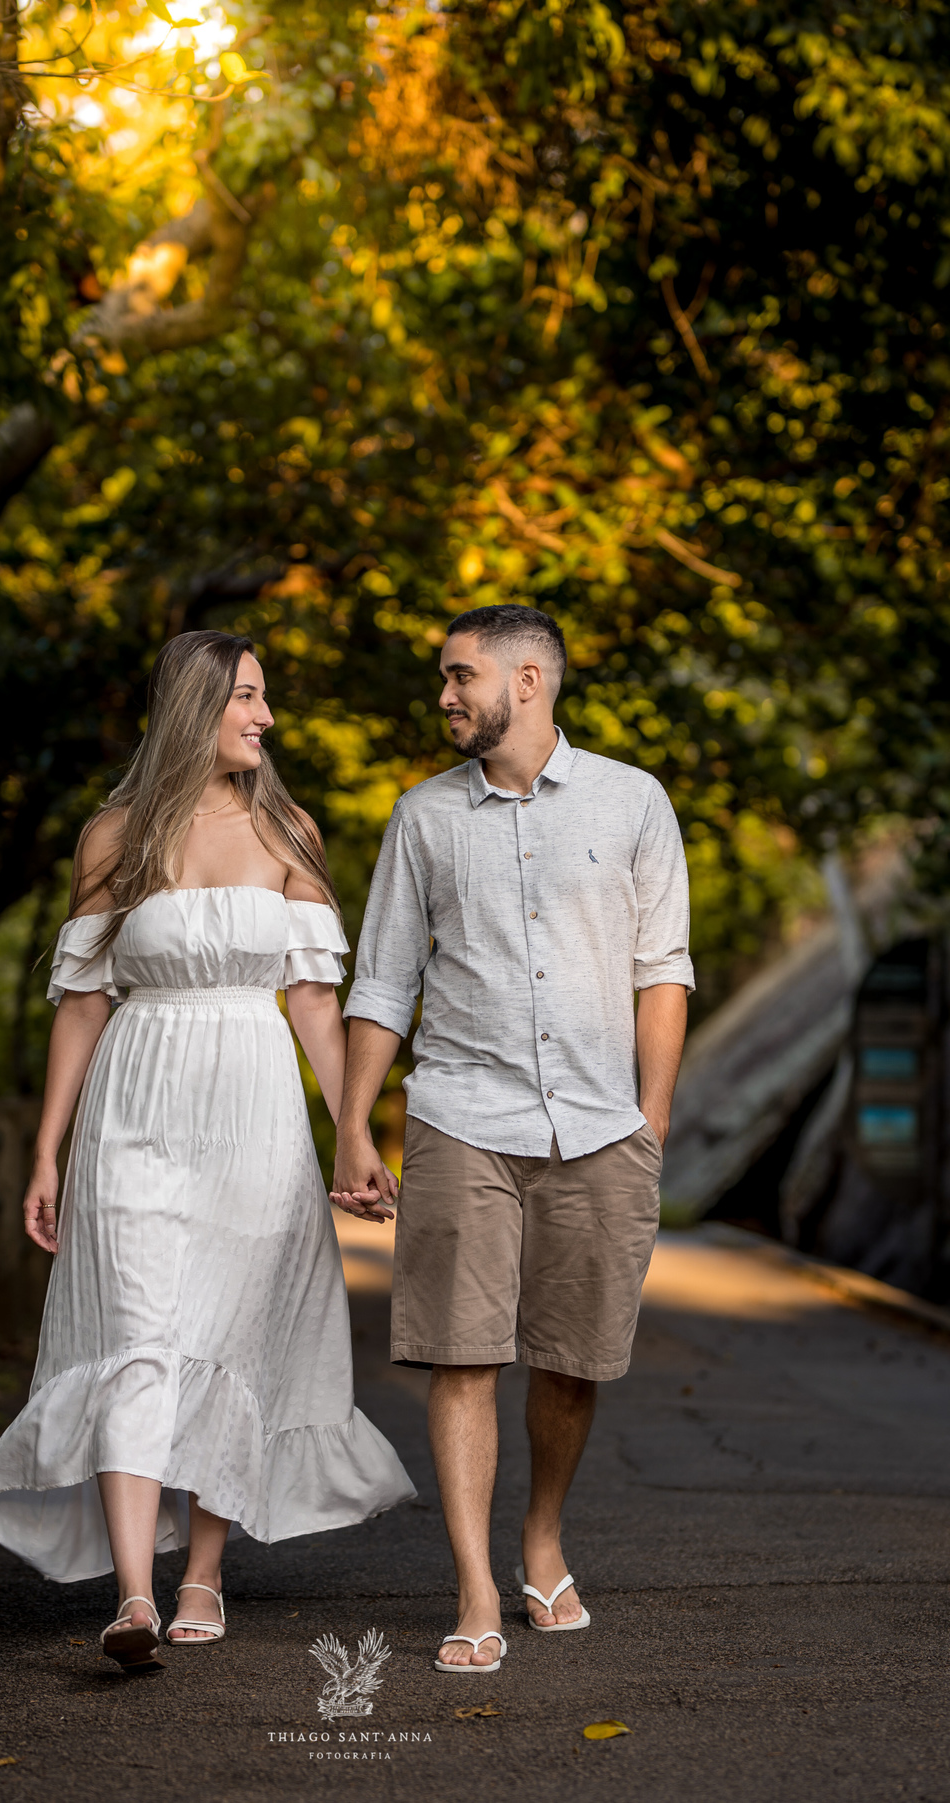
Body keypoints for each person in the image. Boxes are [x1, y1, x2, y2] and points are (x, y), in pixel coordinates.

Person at [0, 630, 414, 1667]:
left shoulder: (289, 832)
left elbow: (315, 1003)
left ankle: (203, 1572)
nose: (267, 717)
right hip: (135, 1106)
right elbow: (82, 1003)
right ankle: (133, 1595)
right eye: (248, 697)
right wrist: (47, 1151)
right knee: (135, 1333)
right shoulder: (113, 838)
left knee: (231, 1336)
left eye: (264, 697)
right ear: (195, 706)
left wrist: (353, 1131)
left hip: (255, 1109)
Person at [331, 603, 693, 1674]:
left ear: (527, 680)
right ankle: (476, 1587)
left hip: (600, 1125)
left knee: (572, 1361)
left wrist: (650, 1120)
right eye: (445, 677)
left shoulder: (634, 800)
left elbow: (661, 970)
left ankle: (542, 1538)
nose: (444, 695)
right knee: (462, 1354)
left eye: (460, 675)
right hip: (460, 1117)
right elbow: (383, 983)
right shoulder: (423, 818)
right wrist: (352, 1125)